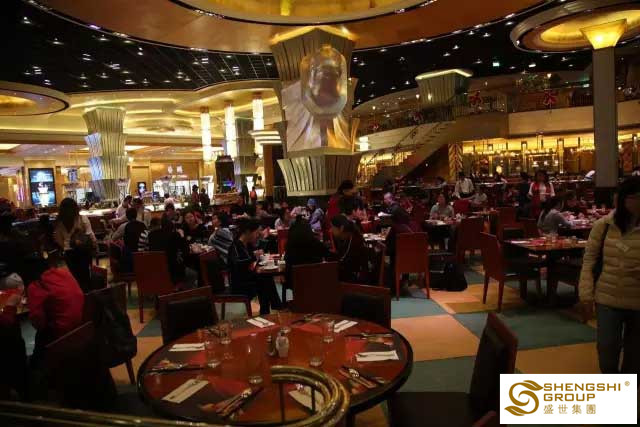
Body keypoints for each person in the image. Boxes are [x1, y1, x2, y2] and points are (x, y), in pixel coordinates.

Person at [579, 177, 640, 376]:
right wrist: (586, 294)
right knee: (607, 350)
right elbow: (589, 260)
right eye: (634, 197)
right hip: (607, 298)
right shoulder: (604, 225)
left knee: (635, 356)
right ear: (622, 199)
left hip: (637, 300)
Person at [25, 256, 84, 363]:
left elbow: (37, 322)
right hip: (82, 325)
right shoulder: (65, 273)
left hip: (61, 334)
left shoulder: (36, 285)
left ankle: (38, 366)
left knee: (40, 336)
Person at [227, 218, 281, 315]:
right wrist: (253, 256)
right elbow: (238, 265)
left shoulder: (247, 244)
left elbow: (254, 256)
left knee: (265, 277)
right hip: (239, 283)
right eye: (256, 232)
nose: (257, 235)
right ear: (248, 232)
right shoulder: (235, 245)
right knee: (264, 279)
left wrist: (256, 253)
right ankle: (274, 307)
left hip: (248, 277)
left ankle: (269, 309)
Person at [54, 198, 96, 292]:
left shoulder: (59, 222)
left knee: (75, 277)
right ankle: (87, 295)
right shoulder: (81, 218)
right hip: (83, 251)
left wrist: (66, 245)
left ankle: (78, 295)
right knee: (85, 275)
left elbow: (58, 239)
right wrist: (94, 244)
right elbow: (90, 234)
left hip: (69, 253)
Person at [148, 217, 196, 289]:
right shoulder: (174, 235)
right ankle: (181, 292)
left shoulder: (151, 235)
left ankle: (174, 290)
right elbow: (186, 251)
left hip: (156, 270)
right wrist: (182, 235)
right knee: (193, 274)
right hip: (173, 271)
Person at [330, 214, 368, 283]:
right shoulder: (347, 238)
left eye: (332, 227)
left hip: (355, 281)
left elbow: (344, 261)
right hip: (350, 274)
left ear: (341, 228)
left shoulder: (353, 240)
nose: (331, 230)